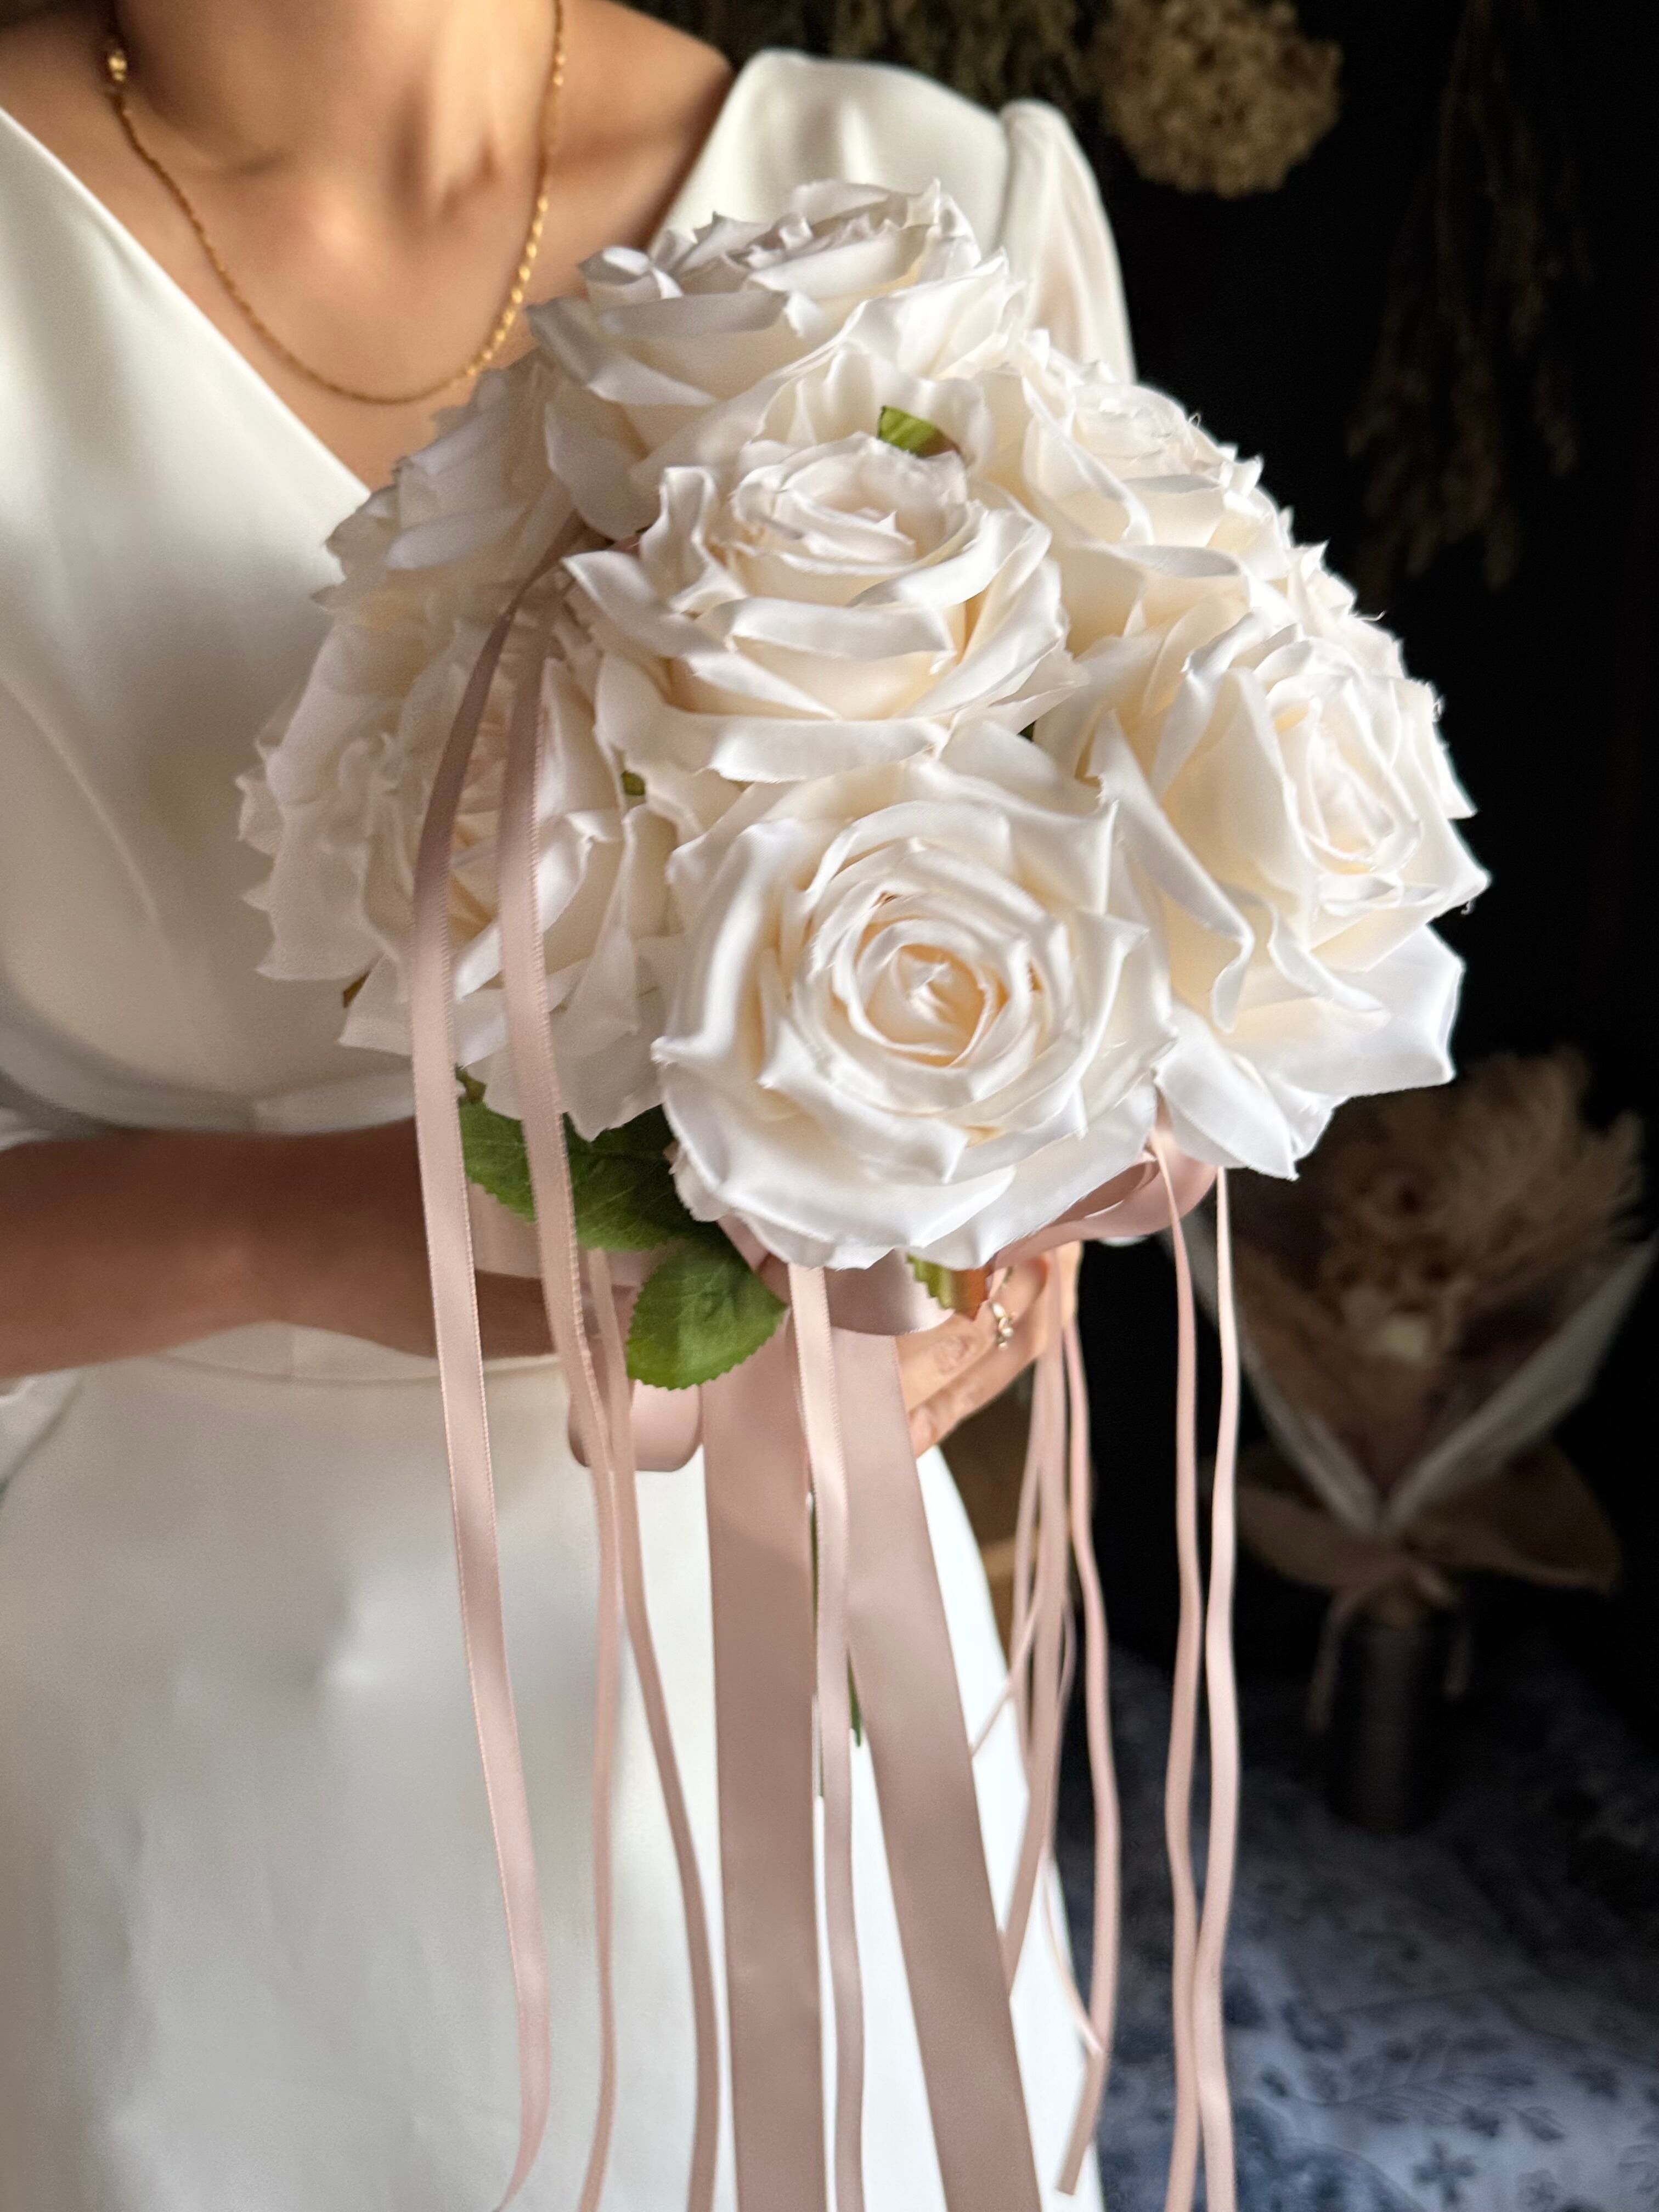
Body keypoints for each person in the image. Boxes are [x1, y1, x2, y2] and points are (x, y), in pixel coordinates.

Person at [0, 3, 1131, 2202]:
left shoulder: (937, 203)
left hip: (780, 1697)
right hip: (164, 1756)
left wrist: (1003, 1233)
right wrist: (322, 1231)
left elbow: (1095, 999)